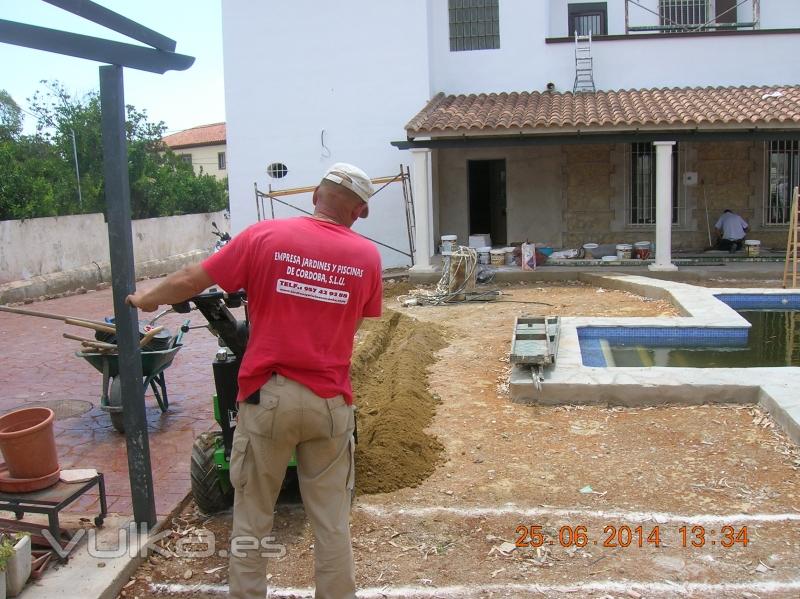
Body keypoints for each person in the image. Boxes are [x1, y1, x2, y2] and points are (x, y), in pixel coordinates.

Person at [127, 163, 383, 599]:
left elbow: (193, 280)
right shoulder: (367, 258)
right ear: (359, 213)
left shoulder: (264, 237)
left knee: (252, 519)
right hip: (330, 403)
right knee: (332, 521)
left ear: (315, 196)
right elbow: (353, 325)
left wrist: (144, 298)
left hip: (269, 398)